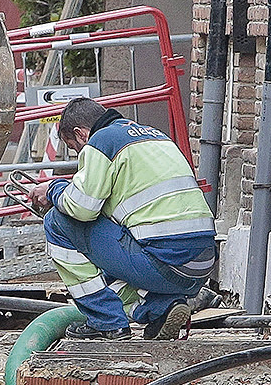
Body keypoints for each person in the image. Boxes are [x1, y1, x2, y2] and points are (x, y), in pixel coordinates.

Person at [28, 97, 217, 338]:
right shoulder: (154, 135)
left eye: (75, 147)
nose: (79, 155)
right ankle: (160, 308)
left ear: (81, 134)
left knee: (58, 223)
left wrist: (53, 190)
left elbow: (82, 208)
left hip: (164, 264)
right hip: (201, 266)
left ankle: (106, 321)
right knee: (110, 243)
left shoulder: (101, 141)